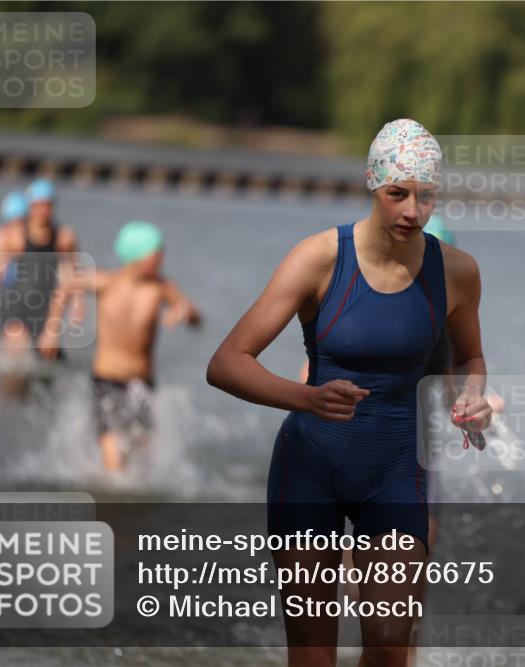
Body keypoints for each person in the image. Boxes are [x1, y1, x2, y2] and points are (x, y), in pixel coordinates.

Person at [207, 118, 491, 667]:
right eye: (398, 194)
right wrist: (305, 398)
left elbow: (471, 356)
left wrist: (473, 395)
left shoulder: (456, 272)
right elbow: (225, 363)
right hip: (311, 466)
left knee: (389, 644)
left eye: (426, 196)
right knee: (314, 653)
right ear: (371, 183)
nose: (413, 211)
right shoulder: (319, 258)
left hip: (395, 470)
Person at [63, 221, 201, 472]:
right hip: (106, 381)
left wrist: (184, 311)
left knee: (141, 464)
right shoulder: (106, 283)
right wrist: (59, 322)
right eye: (157, 253)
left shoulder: (161, 288)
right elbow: (67, 282)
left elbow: (194, 317)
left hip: (141, 386)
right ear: (138, 256)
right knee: (115, 466)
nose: (161, 259)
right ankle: (112, 506)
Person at [0, 180, 82, 396]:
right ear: (31, 207)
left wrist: (78, 304)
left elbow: (73, 273)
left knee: (49, 364)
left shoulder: (64, 237)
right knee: (13, 368)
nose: (44, 210)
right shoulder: (14, 236)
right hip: (14, 307)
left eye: (48, 205)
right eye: (38, 205)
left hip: (43, 306)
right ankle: (7, 405)